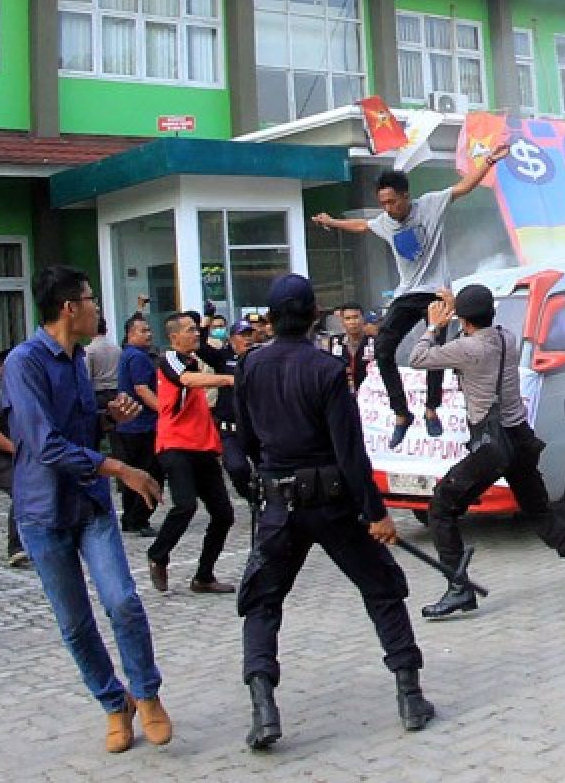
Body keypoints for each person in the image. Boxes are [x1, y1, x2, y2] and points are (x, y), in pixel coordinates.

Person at [235, 274, 434, 748]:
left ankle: (263, 708)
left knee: (262, 604)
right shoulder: (325, 369)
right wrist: (376, 512)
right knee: (382, 589)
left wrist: (253, 486)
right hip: (333, 502)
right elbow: (350, 451)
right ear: (312, 315)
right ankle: (409, 694)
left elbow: (241, 441)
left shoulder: (249, 367)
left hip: (279, 504)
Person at [2, 265, 170, 753]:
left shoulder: (78, 359)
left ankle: (147, 693)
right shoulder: (24, 362)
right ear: (69, 308)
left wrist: (105, 417)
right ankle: (114, 703)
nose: (98, 307)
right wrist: (122, 469)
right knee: (74, 622)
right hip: (42, 512)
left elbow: (73, 429)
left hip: (89, 505)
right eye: (91, 298)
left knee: (122, 600)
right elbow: (44, 444)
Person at [409, 285, 565, 617]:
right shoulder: (505, 338)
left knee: (441, 507)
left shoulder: (468, 348)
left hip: (491, 446)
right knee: (539, 511)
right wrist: (460, 312)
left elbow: (418, 358)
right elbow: (471, 336)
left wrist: (434, 326)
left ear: (463, 319)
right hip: (519, 438)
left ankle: (459, 589)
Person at [311, 143, 510, 448]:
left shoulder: (431, 204)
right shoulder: (384, 221)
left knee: (435, 353)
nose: (388, 209)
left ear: (406, 196)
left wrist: (489, 162)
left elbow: (464, 186)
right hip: (407, 294)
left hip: (435, 292)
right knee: (382, 349)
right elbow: (362, 225)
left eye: (392, 202)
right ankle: (402, 414)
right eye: (383, 204)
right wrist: (332, 222)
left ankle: (432, 409)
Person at [145, 313, 236, 594]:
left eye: (197, 329)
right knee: (185, 505)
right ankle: (158, 555)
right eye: (190, 330)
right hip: (175, 445)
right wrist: (229, 380)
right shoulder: (169, 360)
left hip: (203, 446)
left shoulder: (196, 360)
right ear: (174, 338)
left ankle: (204, 576)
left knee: (223, 514)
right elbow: (187, 380)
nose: (196, 334)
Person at [112, 314, 163, 537]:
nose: (148, 334)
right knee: (150, 472)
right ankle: (139, 518)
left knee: (132, 473)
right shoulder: (138, 358)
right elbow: (142, 389)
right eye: (143, 331)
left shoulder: (129, 355)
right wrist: (166, 411)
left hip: (130, 426)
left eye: (149, 330)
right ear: (131, 334)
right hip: (142, 426)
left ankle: (130, 519)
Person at [196, 317, 257, 501]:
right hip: (230, 430)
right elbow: (201, 348)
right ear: (231, 339)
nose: (247, 339)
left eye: (249, 335)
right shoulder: (223, 358)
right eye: (242, 335)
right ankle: (250, 497)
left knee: (269, 469)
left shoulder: (260, 357)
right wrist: (205, 322)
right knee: (237, 468)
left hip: (257, 428)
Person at [0, 349, 29, 568]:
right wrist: (15, 449)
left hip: (22, 451)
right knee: (21, 488)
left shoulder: (27, 389)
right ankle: (16, 547)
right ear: (2, 369)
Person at [326, 302, 378, 394]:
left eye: (356, 317)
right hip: (342, 395)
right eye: (348, 318)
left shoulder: (374, 342)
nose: (352, 322)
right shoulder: (335, 342)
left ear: (363, 319)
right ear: (342, 321)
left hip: (370, 394)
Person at [84, 317, 121, 447]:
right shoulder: (117, 349)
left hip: (98, 394)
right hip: (116, 391)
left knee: (96, 431)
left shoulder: (89, 350)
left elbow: (86, 376)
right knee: (116, 430)